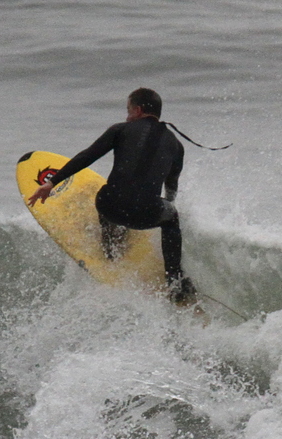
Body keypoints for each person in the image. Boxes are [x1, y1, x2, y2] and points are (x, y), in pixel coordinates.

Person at [27, 87, 197, 305]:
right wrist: (160, 206)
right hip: (146, 216)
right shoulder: (176, 146)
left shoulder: (120, 130)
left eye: (128, 110)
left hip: (111, 208)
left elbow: (87, 156)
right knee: (172, 216)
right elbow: (171, 187)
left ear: (138, 110)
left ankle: (110, 248)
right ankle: (174, 280)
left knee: (106, 192)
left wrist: (51, 183)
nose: (127, 116)